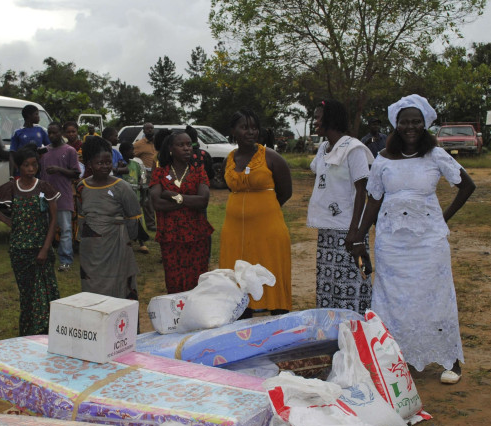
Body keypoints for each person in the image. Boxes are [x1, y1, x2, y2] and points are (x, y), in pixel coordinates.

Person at [350, 94, 475, 384]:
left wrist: (442, 219)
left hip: (429, 244)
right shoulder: (382, 159)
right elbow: (374, 199)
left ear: (425, 124)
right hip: (392, 244)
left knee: (436, 298)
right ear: (396, 124)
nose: (411, 127)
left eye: (416, 121)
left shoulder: (436, 155)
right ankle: (394, 358)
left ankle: (450, 360)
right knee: (393, 300)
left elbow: (467, 185)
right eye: (405, 122)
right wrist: (358, 236)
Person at [219, 108, 292, 315]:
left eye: (254, 128)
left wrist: (261, 210)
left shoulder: (271, 157)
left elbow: (285, 192)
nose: (250, 132)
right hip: (234, 230)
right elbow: (231, 189)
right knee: (236, 273)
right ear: (233, 130)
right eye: (244, 128)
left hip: (268, 230)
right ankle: (243, 313)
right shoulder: (228, 160)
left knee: (271, 270)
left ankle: (278, 318)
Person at [0, 143, 60, 336]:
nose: (31, 169)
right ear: (19, 167)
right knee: (27, 294)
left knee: (44, 292)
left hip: (40, 248)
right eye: (26, 165)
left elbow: (53, 220)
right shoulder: (11, 187)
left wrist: (45, 248)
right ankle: (27, 332)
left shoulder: (44, 187)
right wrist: (7, 220)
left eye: (34, 165)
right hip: (19, 249)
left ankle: (45, 331)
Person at [307, 99, 373, 315]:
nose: (315, 121)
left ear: (330, 119)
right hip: (328, 230)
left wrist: (356, 233)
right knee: (329, 286)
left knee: (351, 286)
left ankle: (355, 335)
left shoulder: (353, 149)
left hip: (348, 231)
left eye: (318, 117)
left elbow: (362, 191)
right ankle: (333, 335)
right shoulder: (324, 148)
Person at [76, 136, 142, 299]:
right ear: (89, 164)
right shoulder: (82, 187)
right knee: (92, 292)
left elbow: (134, 218)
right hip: (91, 251)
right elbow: (81, 217)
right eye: (100, 163)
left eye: (108, 162)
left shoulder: (122, 187)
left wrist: (127, 239)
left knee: (118, 289)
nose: (105, 167)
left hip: (116, 247)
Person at [150, 131, 214, 293]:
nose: (187, 148)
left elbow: (203, 201)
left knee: (198, 281)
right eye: (181, 145)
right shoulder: (160, 172)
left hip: (197, 236)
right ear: (171, 148)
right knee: (174, 282)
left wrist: (175, 196)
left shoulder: (199, 172)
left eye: (189, 144)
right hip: (171, 236)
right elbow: (156, 202)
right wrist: (188, 201)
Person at [40, 121, 81, 272]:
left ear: (61, 133)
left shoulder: (69, 151)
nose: (51, 136)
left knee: (65, 229)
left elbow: (76, 173)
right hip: (46, 196)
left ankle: (65, 260)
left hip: (63, 195)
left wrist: (59, 169)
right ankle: (46, 256)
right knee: (45, 229)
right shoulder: (44, 151)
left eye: (55, 132)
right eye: (49, 133)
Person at [118, 141, 150, 253]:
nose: (133, 152)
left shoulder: (135, 165)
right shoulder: (120, 164)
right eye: (131, 150)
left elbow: (141, 179)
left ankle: (141, 243)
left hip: (135, 197)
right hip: (122, 199)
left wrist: (143, 194)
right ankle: (126, 242)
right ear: (124, 152)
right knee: (124, 221)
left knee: (138, 220)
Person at [133, 122, 157, 231]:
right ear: (143, 131)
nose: (150, 130)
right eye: (147, 129)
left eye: (151, 128)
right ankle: (150, 224)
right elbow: (131, 157)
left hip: (157, 173)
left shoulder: (157, 143)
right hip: (145, 173)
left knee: (158, 197)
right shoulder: (139, 144)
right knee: (147, 199)